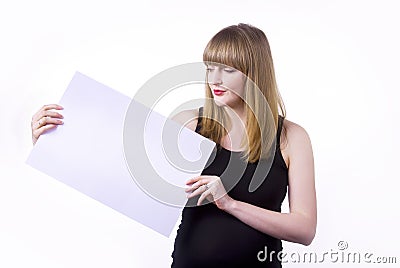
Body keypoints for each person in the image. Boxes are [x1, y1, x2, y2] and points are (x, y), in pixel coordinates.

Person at [31, 23, 316, 267]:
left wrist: (229, 203)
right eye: (209, 68)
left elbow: (304, 229)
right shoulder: (190, 124)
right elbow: (124, 173)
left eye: (227, 70)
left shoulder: (291, 137)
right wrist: (53, 141)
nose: (214, 79)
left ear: (254, 74)